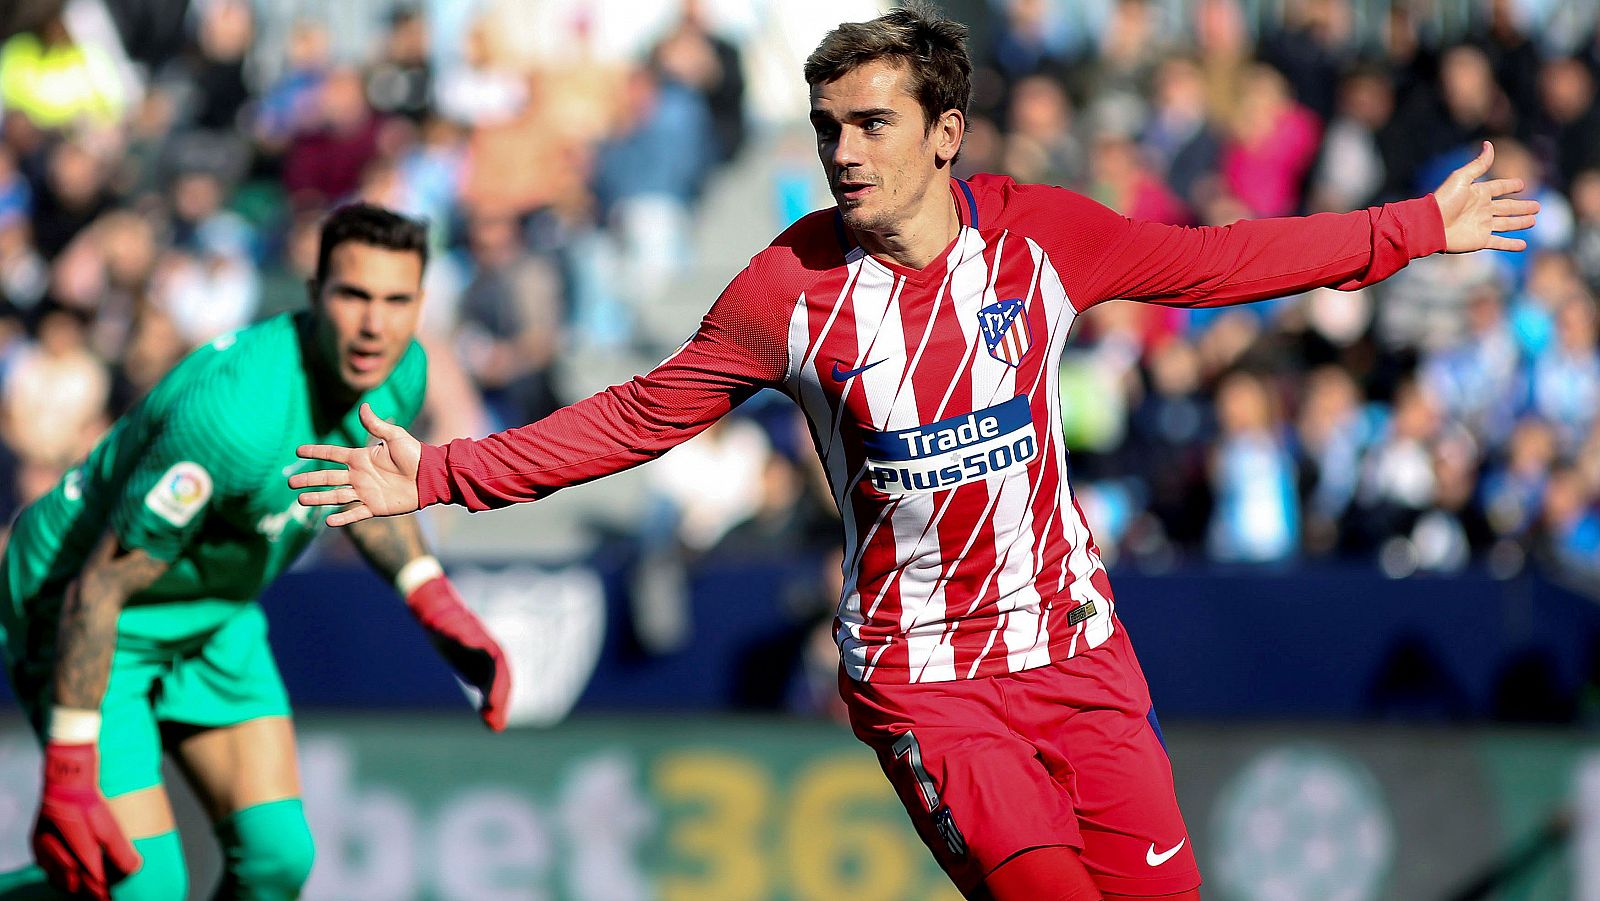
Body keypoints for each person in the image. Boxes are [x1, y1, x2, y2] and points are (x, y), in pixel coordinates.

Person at [291, 6, 1537, 899]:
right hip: (932, 686)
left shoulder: (1044, 237)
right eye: (829, 125)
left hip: (1079, 653)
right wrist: (444, 471)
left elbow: (1217, 264)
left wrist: (1417, 224)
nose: (844, 150)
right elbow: (639, 414)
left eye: (872, 123)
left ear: (946, 132)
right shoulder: (786, 289)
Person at [0, 203, 511, 901]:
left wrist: (431, 594)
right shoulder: (237, 415)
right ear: (313, 294)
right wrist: (66, 772)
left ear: (421, 303)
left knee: (277, 861)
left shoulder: (404, 372)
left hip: (211, 606)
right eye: (354, 295)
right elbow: (102, 588)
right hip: (89, 606)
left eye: (396, 300)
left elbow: (346, 490)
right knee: (141, 886)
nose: (374, 324)